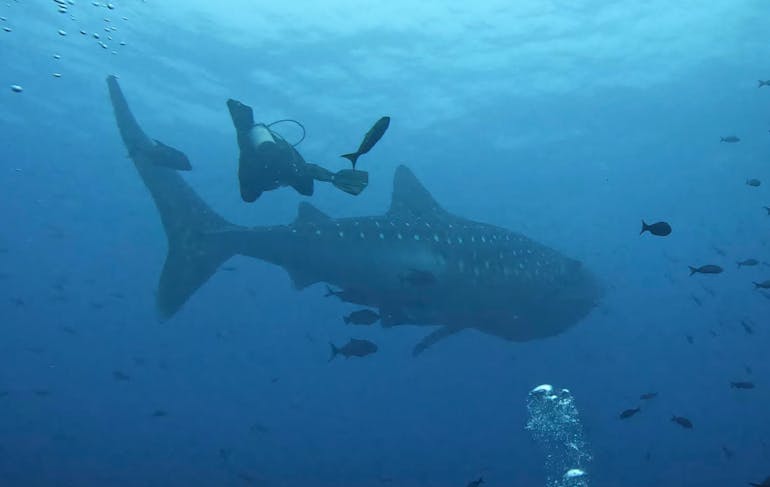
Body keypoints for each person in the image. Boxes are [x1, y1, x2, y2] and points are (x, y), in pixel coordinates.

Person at [226, 99, 368, 202]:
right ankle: (333, 177)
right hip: (281, 165)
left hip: (271, 166)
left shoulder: (253, 160)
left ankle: (333, 177)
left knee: (251, 194)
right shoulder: (276, 157)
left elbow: (248, 194)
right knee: (304, 185)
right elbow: (303, 171)